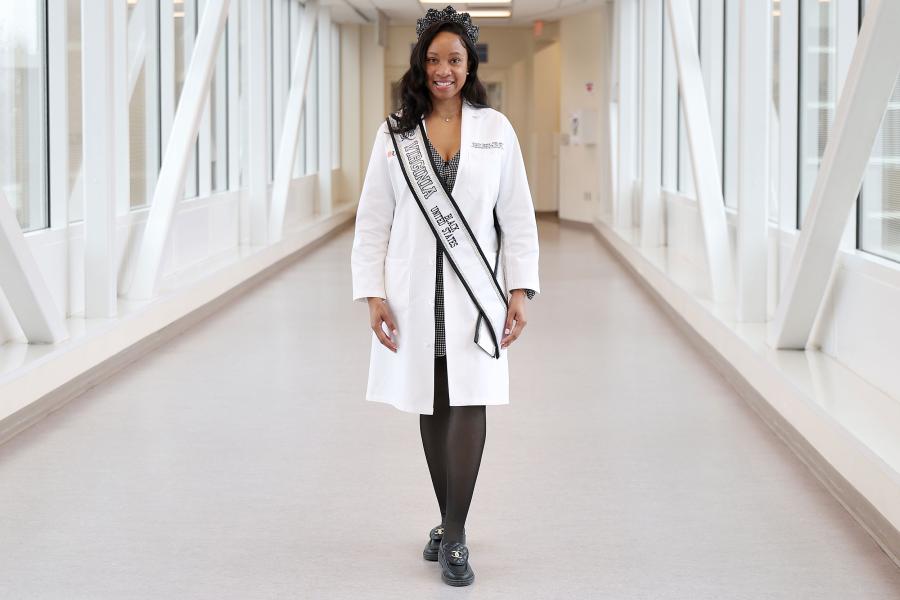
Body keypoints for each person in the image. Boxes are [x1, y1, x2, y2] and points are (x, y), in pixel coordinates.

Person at [350, 5, 540, 588]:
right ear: (420, 64)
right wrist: (373, 293)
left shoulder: (496, 130)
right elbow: (373, 220)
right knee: (431, 403)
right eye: (433, 59)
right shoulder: (395, 134)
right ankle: (447, 519)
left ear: (470, 65)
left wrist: (520, 288)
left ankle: (454, 534)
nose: (443, 70)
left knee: (470, 401)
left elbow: (518, 217)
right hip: (414, 293)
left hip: (474, 295)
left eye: (454, 60)